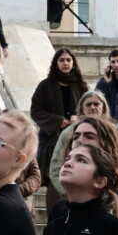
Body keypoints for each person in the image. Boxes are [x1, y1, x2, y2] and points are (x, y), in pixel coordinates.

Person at [30, 47, 89, 211]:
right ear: (56, 63)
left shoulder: (81, 85)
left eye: (68, 60)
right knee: (53, 177)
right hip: (50, 139)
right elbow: (36, 110)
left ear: (73, 63)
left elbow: (89, 108)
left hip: (76, 138)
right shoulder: (45, 85)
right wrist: (57, 121)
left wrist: (78, 118)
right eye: (61, 60)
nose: (65, 63)